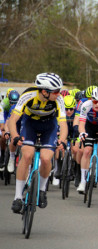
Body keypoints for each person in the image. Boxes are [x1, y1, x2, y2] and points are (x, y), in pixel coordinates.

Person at [9, 73, 67, 213]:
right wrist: (15, 136)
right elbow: (12, 120)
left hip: (49, 126)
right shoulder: (28, 95)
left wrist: (63, 140)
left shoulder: (59, 100)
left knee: (46, 158)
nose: (58, 94)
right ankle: (17, 197)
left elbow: (63, 124)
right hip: (30, 124)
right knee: (27, 156)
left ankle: (41, 190)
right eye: (56, 91)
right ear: (44, 91)